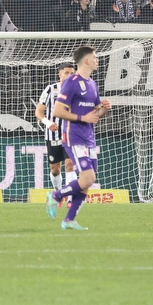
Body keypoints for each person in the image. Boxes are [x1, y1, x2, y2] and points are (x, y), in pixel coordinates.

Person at [46, 45, 113, 230]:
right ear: (86, 60)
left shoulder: (92, 84)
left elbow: (95, 114)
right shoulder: (71, 82)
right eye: (95, 57)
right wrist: (83, 118)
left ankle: (69, 220)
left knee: (85, 183)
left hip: (89, 137)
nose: (97, 60)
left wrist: (103, 109)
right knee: (88, 178)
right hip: (73, 136)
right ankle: (56, 195)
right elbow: (58, 111)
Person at [35, 62, 78, 194]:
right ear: (59, 74)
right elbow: (39, 111)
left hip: (71, 134)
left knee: (70, 164)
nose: (70, 75)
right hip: (52, 135)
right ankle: (58, 192)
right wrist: (48, 123)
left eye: (72, 73)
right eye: (66, 73)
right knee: (55, 169)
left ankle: (70, 197)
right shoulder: (50, 89)